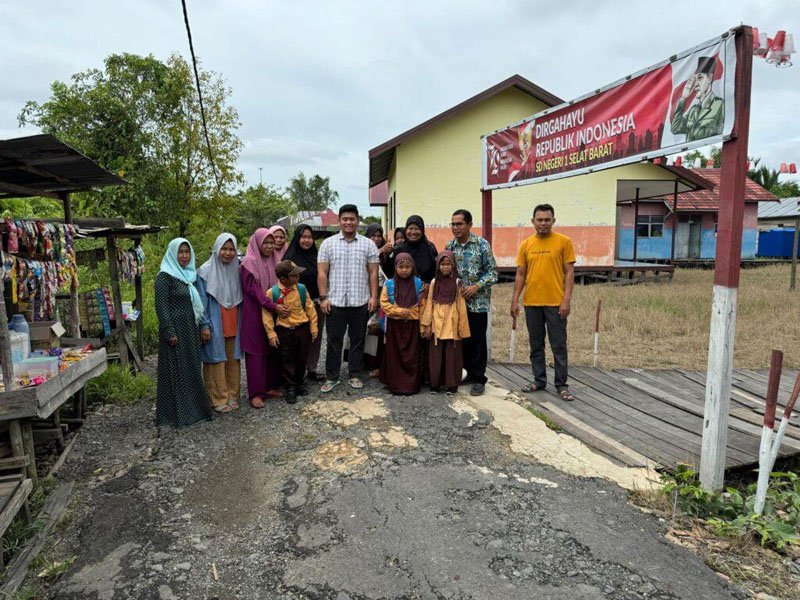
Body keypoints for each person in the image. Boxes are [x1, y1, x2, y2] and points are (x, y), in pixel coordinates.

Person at [510, 204, 576, 401]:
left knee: (558, 345)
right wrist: (515, 300)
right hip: (532, 302)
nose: (543, 223)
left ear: (553, 221)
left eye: (547, 219)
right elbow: (521, 274)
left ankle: (561, 384)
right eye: (539, 220)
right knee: (536, 344)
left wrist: (566, 300)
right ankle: (539, 380)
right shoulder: (526, 244)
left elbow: (570, 272)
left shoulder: (564, 242)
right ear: (533, 222)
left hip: (556, 303)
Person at [317, 204, 379, 392]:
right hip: (335, 301)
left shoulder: (368, 244)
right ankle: (332, 376)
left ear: (357, 221)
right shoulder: (328, 244)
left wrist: (374, 297)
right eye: (345, 219)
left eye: (352, 219)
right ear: (339, 221)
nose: (348, 222)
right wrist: (323, 298)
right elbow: (322, 273)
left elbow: (373, 274)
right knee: (333, 340)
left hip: (360, 300)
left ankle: (354, 374)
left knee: (358, 339)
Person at [155, 238, 214, 428]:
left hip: (190, 329)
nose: (184, 256)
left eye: (187, 252)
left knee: (191, 369)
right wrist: (169, 331)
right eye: (180, 252)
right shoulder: (164, 276)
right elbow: (161, 307)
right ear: (172, 253)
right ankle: (178, 415)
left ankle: (196, 411)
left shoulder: (189, 276)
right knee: (176, 372)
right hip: (175, 331)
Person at [445, 209, 498, 396]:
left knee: (477, 340)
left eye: (459, 224)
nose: (455, 227)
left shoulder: (482, 245)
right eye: (453, 224)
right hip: (457, 303)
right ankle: (467, 372)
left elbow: (493, 272)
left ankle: (479, 378)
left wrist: (476, 286)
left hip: (478, 302)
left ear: (469, 224)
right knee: (462, 340)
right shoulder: (449, 246)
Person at [240, 227, 289, 408]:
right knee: (256, 353)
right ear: (257, 243)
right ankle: (255, 393)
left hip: (271, 311)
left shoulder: (273, 260)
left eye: (271, 242)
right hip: (254, 313)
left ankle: (269, 387)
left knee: (271, 348)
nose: (269, 246)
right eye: (266, 243)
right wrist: (274, 306)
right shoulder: (249, 263)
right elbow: (255, 292)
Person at [196, 233, 243, 414]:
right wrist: (204, 324)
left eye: (231, 249)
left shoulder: (237, 269)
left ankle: (232, 395)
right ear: (216, 249)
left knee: (232, 359)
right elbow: (200, 302)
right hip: (215, 321)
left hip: (233, 320)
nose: (228, 253)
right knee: (215, 360)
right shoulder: (204, 271)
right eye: (224, 249)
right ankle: (217, 397)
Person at [262, 260, 319, 403]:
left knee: (302, 356)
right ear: (283, 279)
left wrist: (313, 327)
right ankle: (290, 387)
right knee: (286, 358)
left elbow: (310, 308)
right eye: (294, 276)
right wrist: (271, 333)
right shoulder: (272, 292)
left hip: (302, 328)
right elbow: (267, 314)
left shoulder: (301, 289)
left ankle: (300, 382)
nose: (298, 277)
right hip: (284, 330)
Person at [421, 251, 470, 395]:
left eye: (449, 264)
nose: (445, 267)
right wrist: (427, 325)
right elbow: (429, 303)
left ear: (453, 266)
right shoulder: (434, 282)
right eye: (442, 264)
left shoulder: (457, 283)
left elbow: (461, 307)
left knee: (452, 357)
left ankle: (451, 385)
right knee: (435, 357)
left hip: (452, 325)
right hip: (437, 325)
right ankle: (435, 384)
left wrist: (462, 329)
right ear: (438, 266)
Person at [284, 225, 325, 381]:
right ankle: (294, 373)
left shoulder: (317, 256)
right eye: (304, 237)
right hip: (296, 305)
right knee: (297, 337)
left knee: (315, 336)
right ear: (297, 238)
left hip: (316, 303)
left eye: (310, 237)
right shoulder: (290, 257)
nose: (307, 240)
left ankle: (312, 369)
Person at [379, 253, 424, 395]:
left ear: (412, 267)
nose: (404, 270)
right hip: (395, 325)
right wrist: (398, 311)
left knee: (412, 356)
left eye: (407, 267)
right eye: (401, 267)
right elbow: (384, 303)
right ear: (395, 268)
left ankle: (411, 385)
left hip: (412, 326)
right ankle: (395, 384)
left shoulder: (418, 283)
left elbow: (423, 305)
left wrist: (409, 313)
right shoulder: (389, 284)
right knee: (395, 355)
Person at [670, 56, 724, 142]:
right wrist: (683, 98)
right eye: (694, 80)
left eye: (699, 78)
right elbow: (675, 128)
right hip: (694, 155)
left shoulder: (720, 105)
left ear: (709, 78)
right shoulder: (693, 111)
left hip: (713, 153)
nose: (695, 84)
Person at [365, 223, 392, 376]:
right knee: (367, 329)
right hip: (366, 293)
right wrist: (380, 251)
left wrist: (386, 254)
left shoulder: (387, 252)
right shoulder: (363, 249)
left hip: (383, 294)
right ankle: (367, 361)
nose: (376, 239)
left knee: (379, 329)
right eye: (373, 235)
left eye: (378, 236)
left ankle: (378, 363)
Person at [385, 215, 438, 283]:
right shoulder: (399, 249)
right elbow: (391, 272)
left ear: (422, 230)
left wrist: (429, 284)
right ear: (406, 230)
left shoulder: (430, 247)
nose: (413, 232)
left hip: (424, 291)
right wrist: (386, 256)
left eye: (417, 229)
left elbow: (436, 271)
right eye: (410, 228)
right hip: (403, 289)